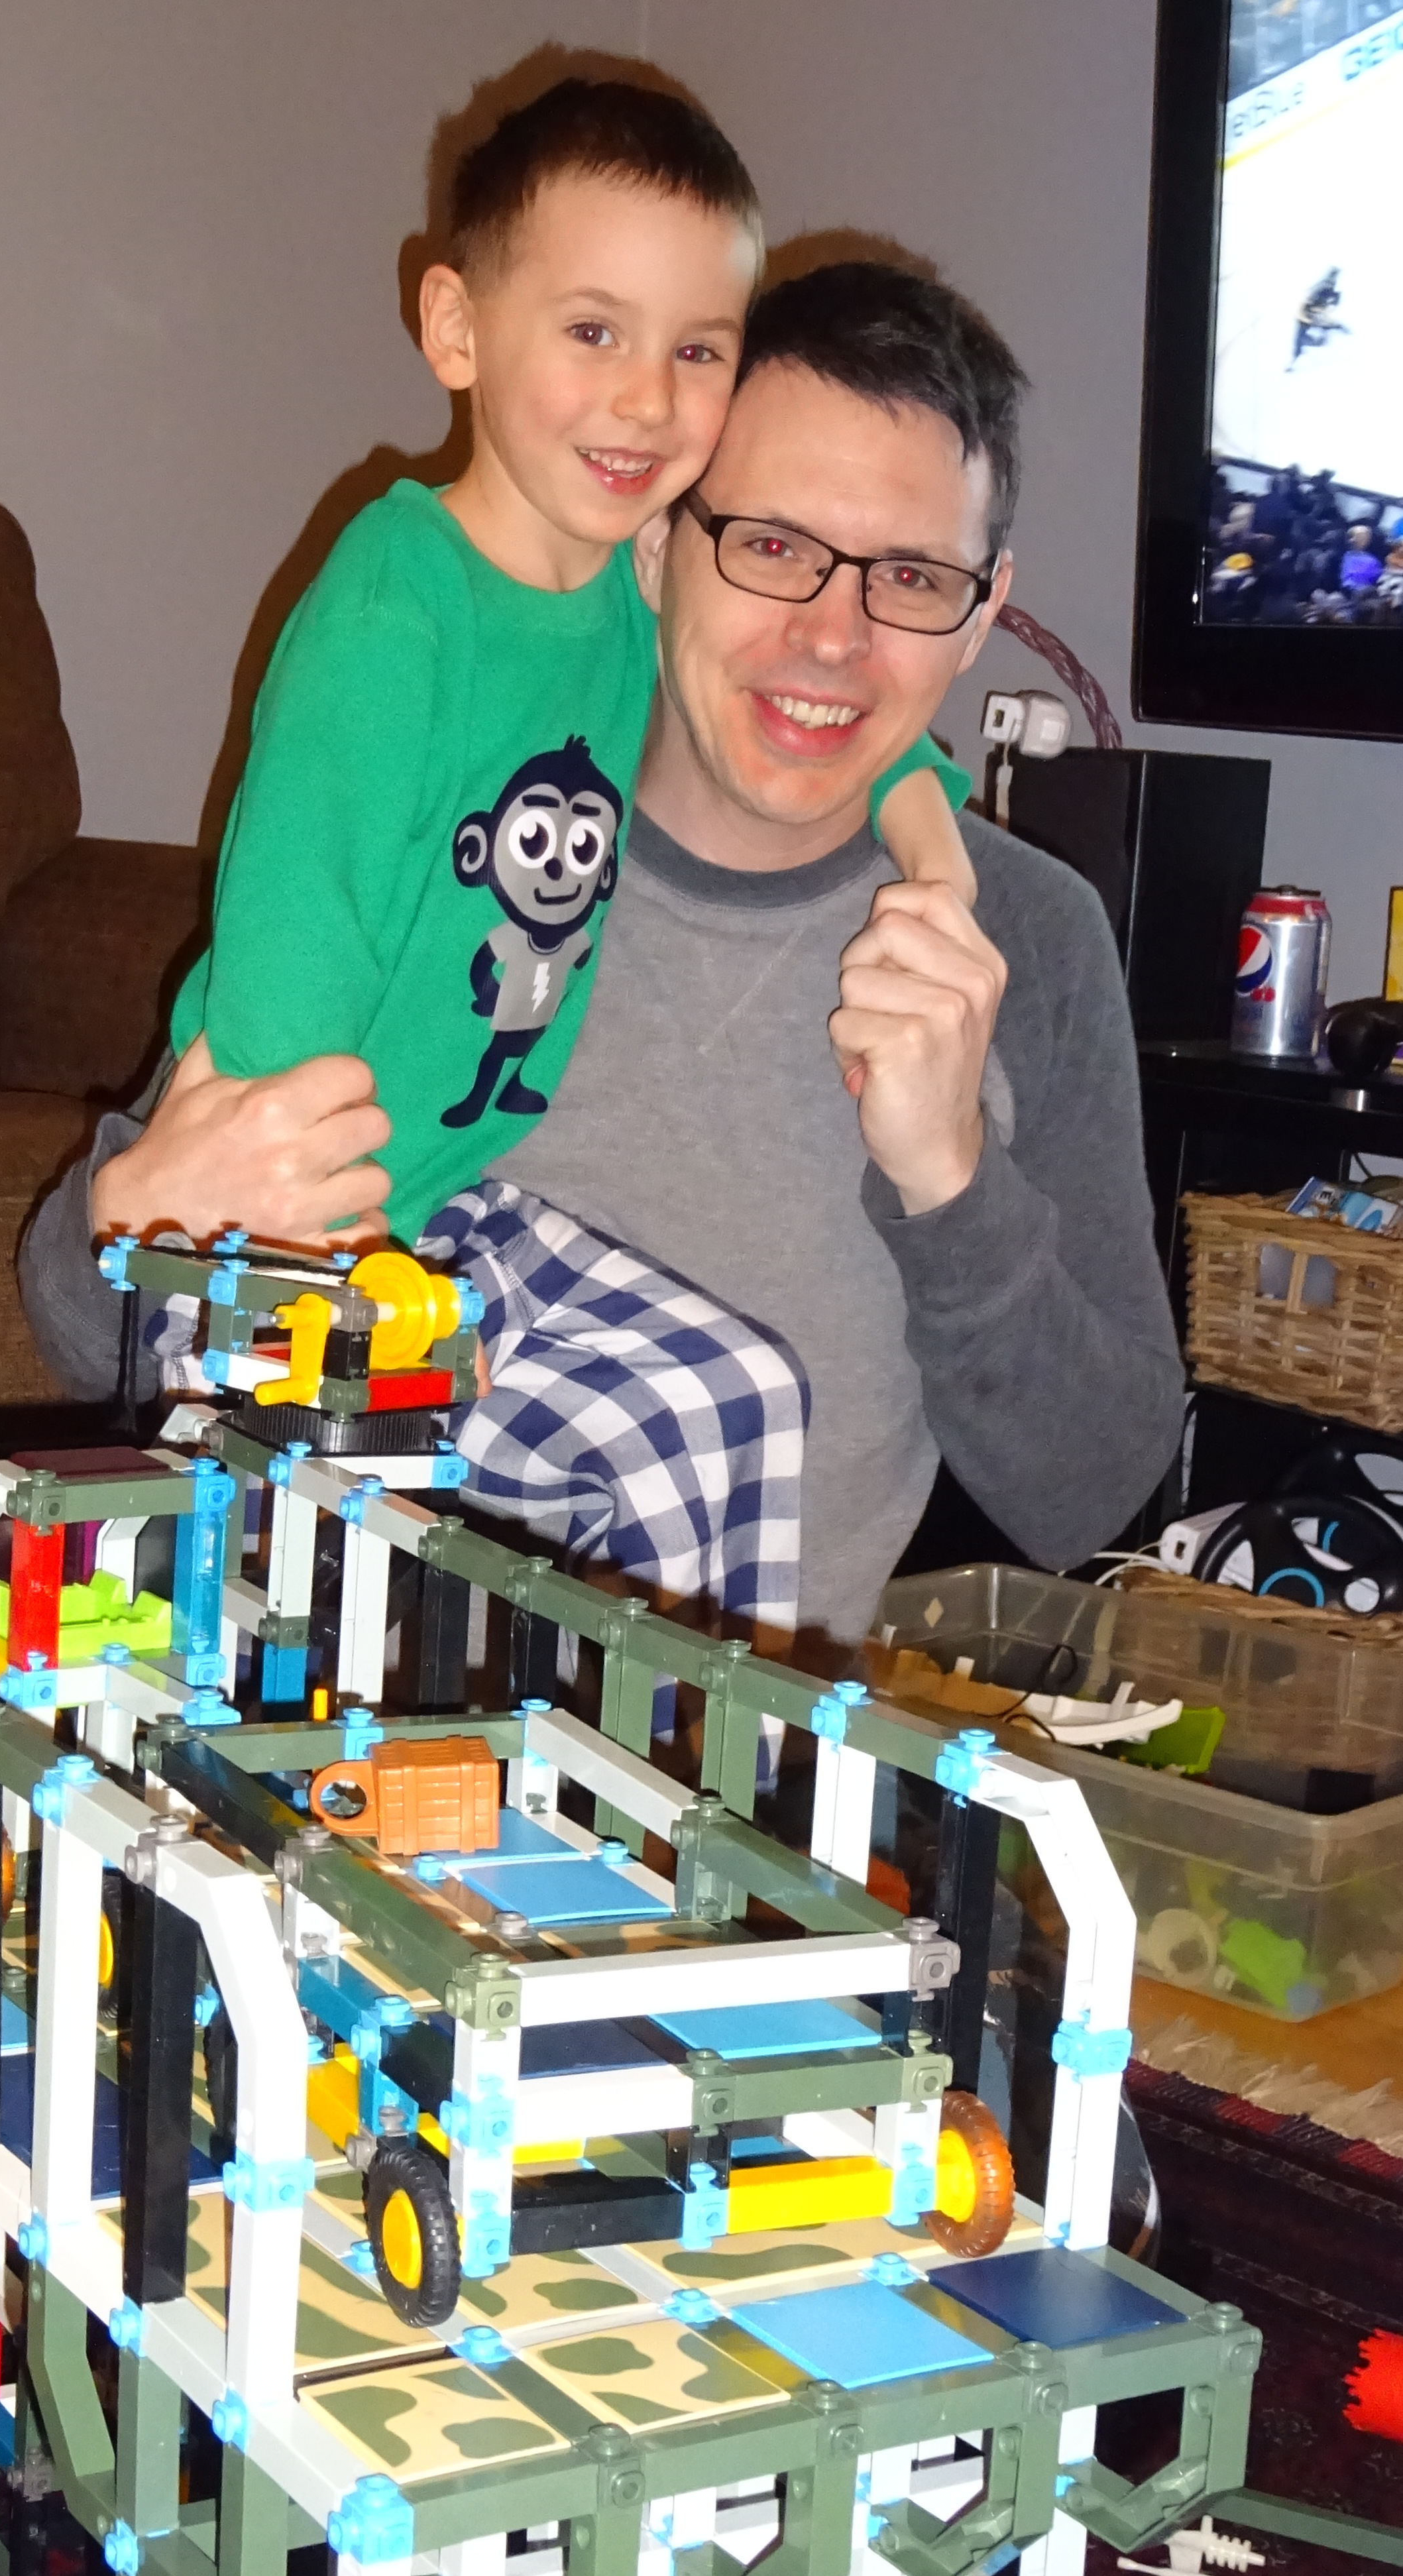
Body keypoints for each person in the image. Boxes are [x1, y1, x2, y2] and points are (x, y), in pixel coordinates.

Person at [23, 260, 1185, 1643]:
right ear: (652, 547)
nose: (832, 637)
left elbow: (1092, 1495)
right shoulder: (451, 814)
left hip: (710, 1754)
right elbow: (77, 1323)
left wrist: (948, 1179)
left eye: (912, 578)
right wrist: (135, 1217)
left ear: (983, 611)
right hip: (326, 1691)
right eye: (771, 546)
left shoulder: (1026, 938)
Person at [122, 78, 970, 1630]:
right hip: (292, 1223)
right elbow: (291, 935)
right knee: (377, 1580)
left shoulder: (628, 605)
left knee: (735, 1395)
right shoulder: (396, 607)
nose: (645, 401)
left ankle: (699, 1767)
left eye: (696, 352)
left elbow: (892, 751)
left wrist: (939, 869)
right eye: (593, 332)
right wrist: (323, 1250)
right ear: (455, 332)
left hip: (455, 1200)